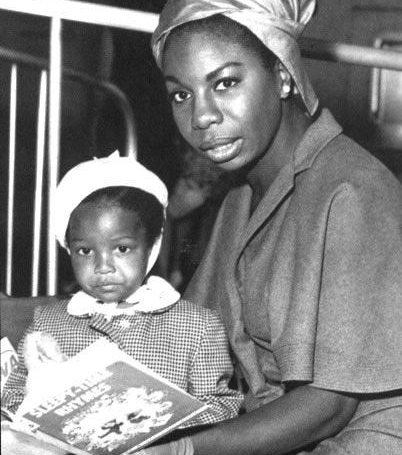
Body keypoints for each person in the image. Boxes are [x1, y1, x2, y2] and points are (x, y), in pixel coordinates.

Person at [149, 0, 402, 453]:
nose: (201, 116)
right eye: (180, 94)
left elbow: (328, 406)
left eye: (225, 83)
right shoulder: (240, 197)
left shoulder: (352, 192)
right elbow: (185, 336)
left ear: (284, 74)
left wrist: (181, 450)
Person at [1, 151, 243, 454]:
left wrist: (164, 434)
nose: (104, 267)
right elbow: (12, 397)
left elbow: (223, 408)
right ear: (68, 249)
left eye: (122, 249)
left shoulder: (197, 326)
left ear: (152, 247)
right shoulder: (49, 322)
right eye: (85, 251)